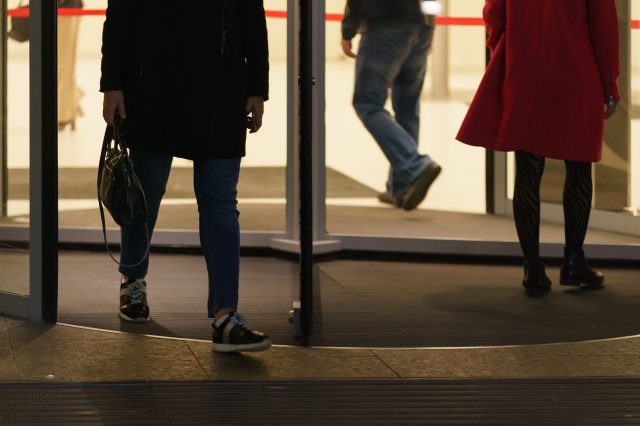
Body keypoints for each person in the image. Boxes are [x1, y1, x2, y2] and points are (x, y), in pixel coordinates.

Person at [100, 0, 272, 352]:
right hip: (155, 86)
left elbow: (251, 16)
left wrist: (257, 86)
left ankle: (226, 315)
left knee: (220, 202)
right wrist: (113, 83)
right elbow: (120, 13)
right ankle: (133, 277)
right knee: (146, 191)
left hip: (222, 92)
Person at [456, 0, 620, 297]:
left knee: (528, 171)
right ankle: (573, 261)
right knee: (579, 165)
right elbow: (604, 28)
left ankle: (533, 267)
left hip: (525, 69)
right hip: (576, 71)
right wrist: (610, 85)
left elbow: (493, 13)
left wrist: (504, 49)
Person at [341, 0, 441, 211]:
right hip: (421, 25)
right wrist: (428, 27)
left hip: (385, 24)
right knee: (407, 108)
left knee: (367, 103)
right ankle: (402, 187)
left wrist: (348, 30)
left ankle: (414, 166)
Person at [58, 0, 84, 131]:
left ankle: (65, 111)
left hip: (65, 10)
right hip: (65, 9)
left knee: (63, 63)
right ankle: (70, 102)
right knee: (64, 63)